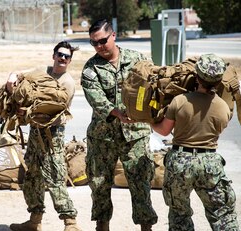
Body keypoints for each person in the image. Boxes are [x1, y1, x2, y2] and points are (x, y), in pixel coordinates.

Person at [81, 19, 157, 231]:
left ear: (113, 35)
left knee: (140, 184)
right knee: (99, 185)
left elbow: (153, 86)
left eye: (102, 41)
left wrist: (150, 111)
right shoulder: (90, 68)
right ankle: (102, 227)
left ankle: (146, 228)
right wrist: (118, 113)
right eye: (93, 43)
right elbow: (96, 99)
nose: (99, 47)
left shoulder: (137, 60)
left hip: (136, 136)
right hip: (103, 137)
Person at [150, 54, 239, 230]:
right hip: (210, 163)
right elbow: (219, 130)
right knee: (221, 214)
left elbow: (164, 130)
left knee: (179, 214)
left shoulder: (180, 101)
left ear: (196, 76)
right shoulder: (223, 106)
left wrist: (150, 121)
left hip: (180, 161)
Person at [9, 41, 82, 231]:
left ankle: (70, 222)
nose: (62, 58)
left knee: (55, 178)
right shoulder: (43, 71)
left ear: (70, 60)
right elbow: (22, 75)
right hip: (35, 132)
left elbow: (56, 113)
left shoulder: (67, 82)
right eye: (60, 54)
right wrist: (13, 76)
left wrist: (28, 113)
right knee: (32, 176)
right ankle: (35, 221)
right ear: (54, 55)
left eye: (66, 56)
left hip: (52, 134)